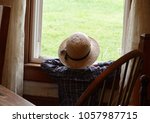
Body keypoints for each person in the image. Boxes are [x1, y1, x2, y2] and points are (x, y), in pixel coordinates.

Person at [41, 32, 113, 105]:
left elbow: (46, 64)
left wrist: (66, 58)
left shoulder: (61, 73)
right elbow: (113, 65)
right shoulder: (94, 74)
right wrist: (98, 64)